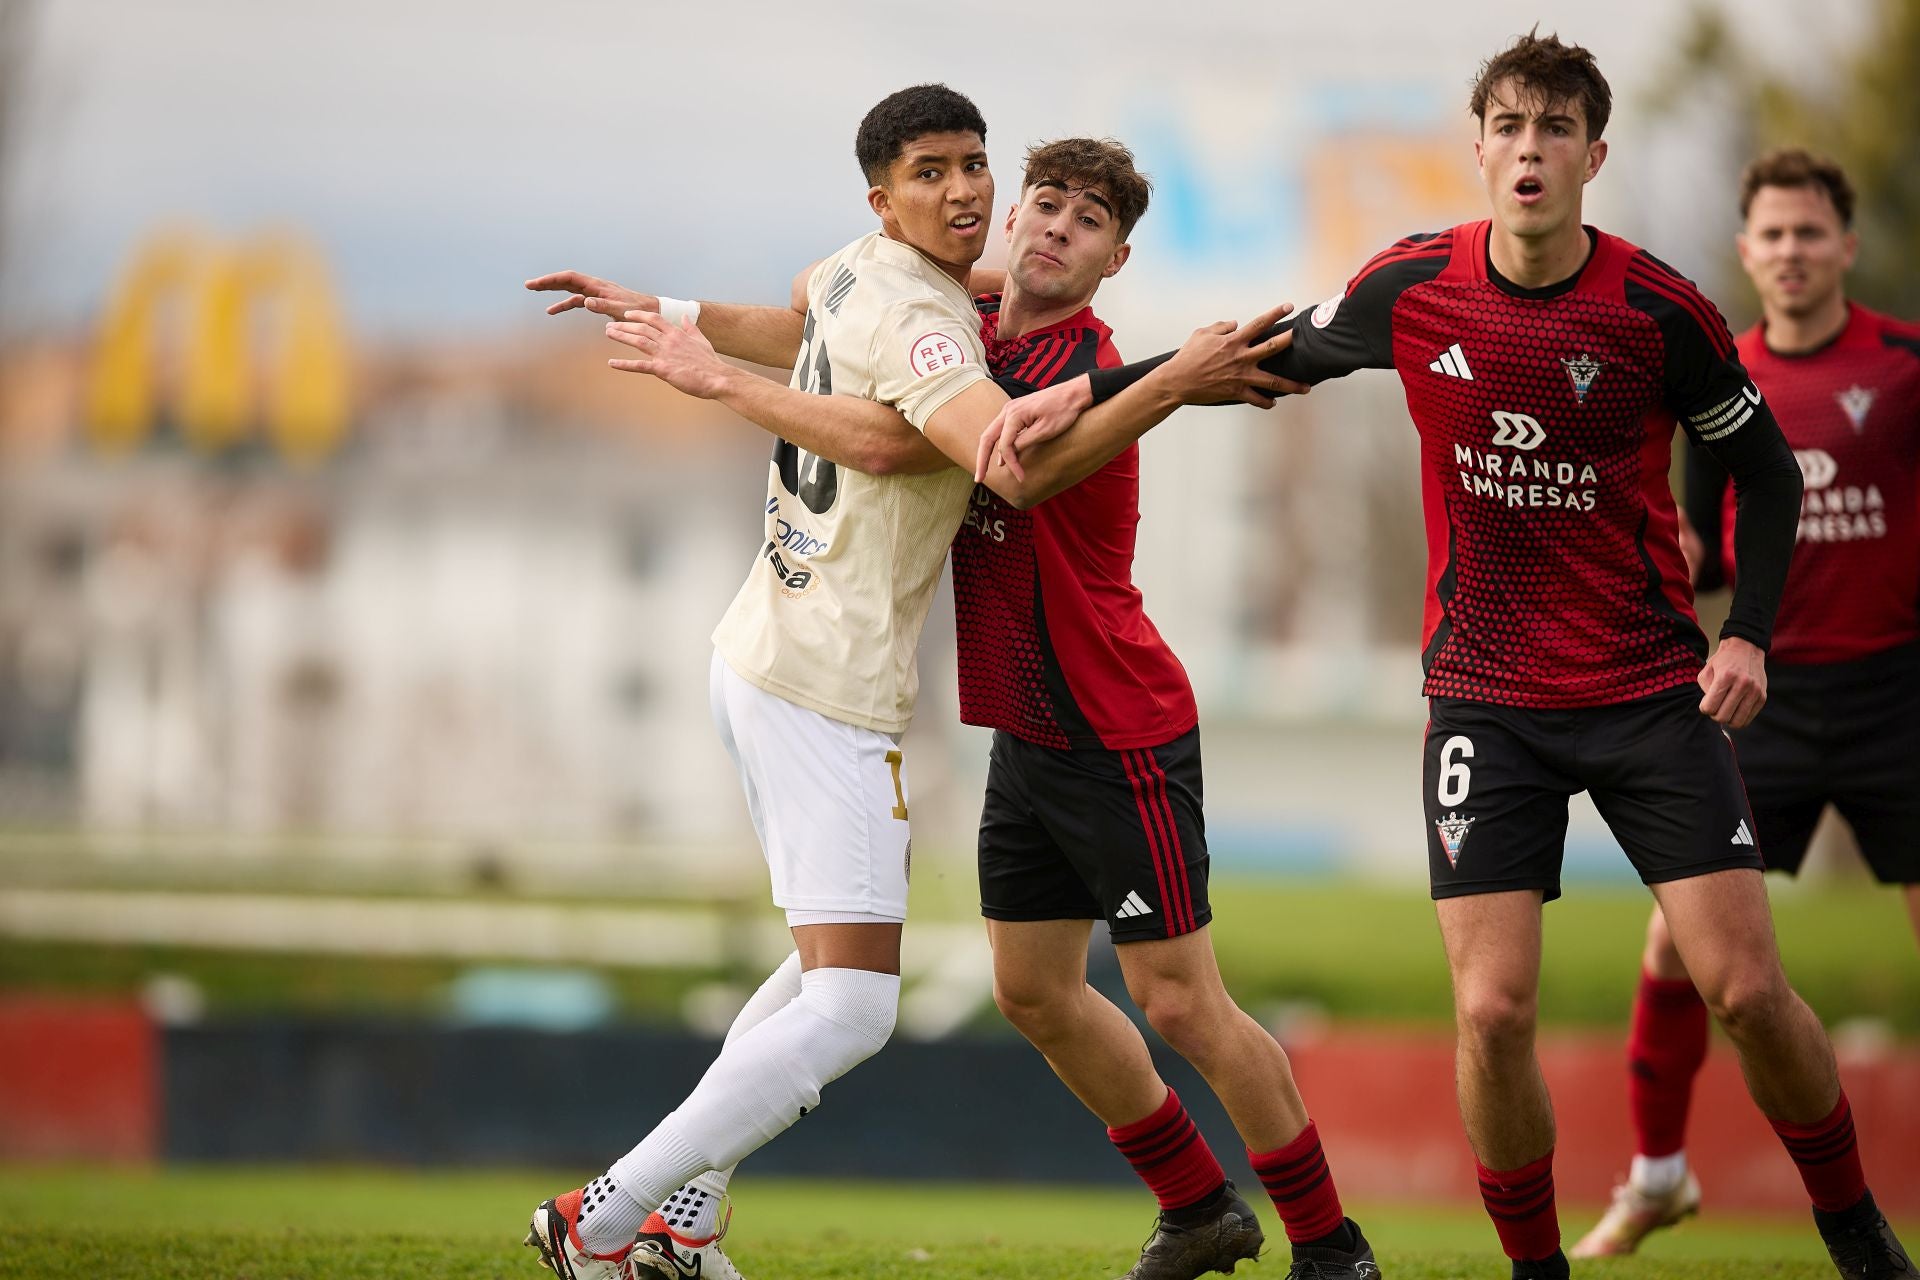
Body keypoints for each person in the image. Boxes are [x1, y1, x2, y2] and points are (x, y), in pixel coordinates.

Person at [978, 30, 1912, 1280]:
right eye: (1510, 129)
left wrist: (1746, 630)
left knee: (1743, 986)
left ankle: (1856, 1230)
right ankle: (1536, 1271)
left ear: (1593, 154)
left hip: (1646, 690)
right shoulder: (1410, 285)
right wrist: (1085, 393)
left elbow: (1757, 465)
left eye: (1556, 131)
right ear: (1478, 149)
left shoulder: (1660, 308)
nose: (1531, 152)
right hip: (1485, 698)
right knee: (1491, 1008)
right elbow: (1251, 360)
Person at [520, 88, 1299, 1280]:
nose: (966, 192)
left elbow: (798, 324)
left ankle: (687, 1208)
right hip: (822, 686)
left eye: (976, 165)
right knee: (854, 1006)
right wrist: (1175, 378)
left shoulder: (858, 268)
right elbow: (960, 449)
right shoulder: (940, 323)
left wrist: (678, 318)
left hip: (771, 654)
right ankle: (606, 1216)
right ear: (884, 198)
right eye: (932, 172)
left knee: (818, 969)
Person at [1571, 148, 1920, 1260]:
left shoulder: (1908, 365)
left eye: (1810, 232)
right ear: (1745, 250)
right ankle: (1657, 1175)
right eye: (1770, 234)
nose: (1790, 251)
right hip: (1759, 698)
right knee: (1680, 951)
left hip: (1898, 701)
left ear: (1845, 247)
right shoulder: (1721, 375)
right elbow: (1705, 549)